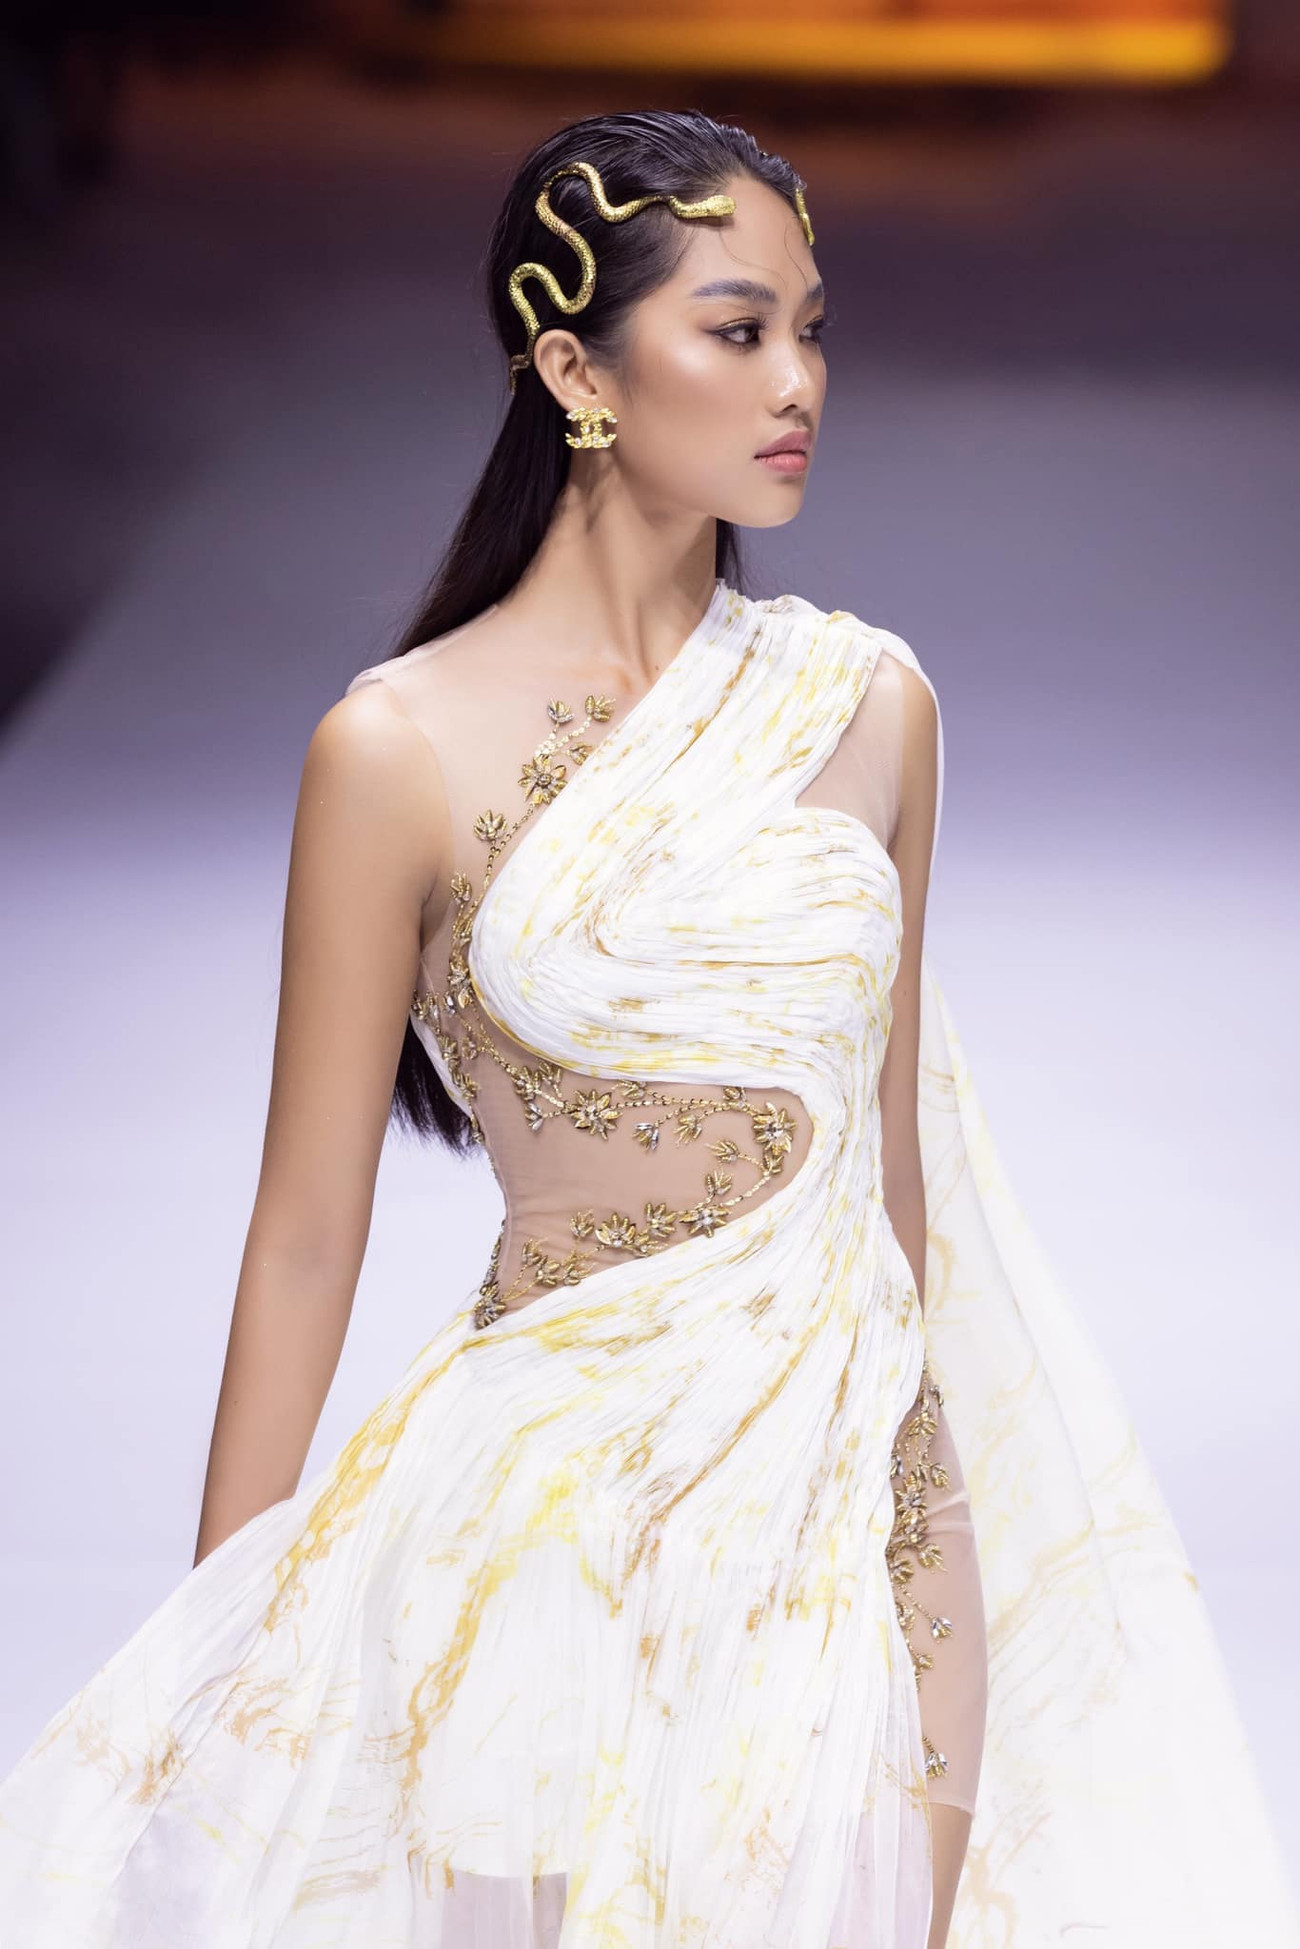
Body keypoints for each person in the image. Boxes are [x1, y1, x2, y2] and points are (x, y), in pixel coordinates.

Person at [0, 108, 1294, 1949]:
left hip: (838, 1531)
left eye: (812, 329)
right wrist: (219, 1667)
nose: (799, 383)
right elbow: (303, 1233)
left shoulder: (872, 707)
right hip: (536, 1551)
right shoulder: (395, 750)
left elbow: (894, 1198)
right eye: (738, 330)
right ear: (575, 373)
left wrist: (932, 1573)